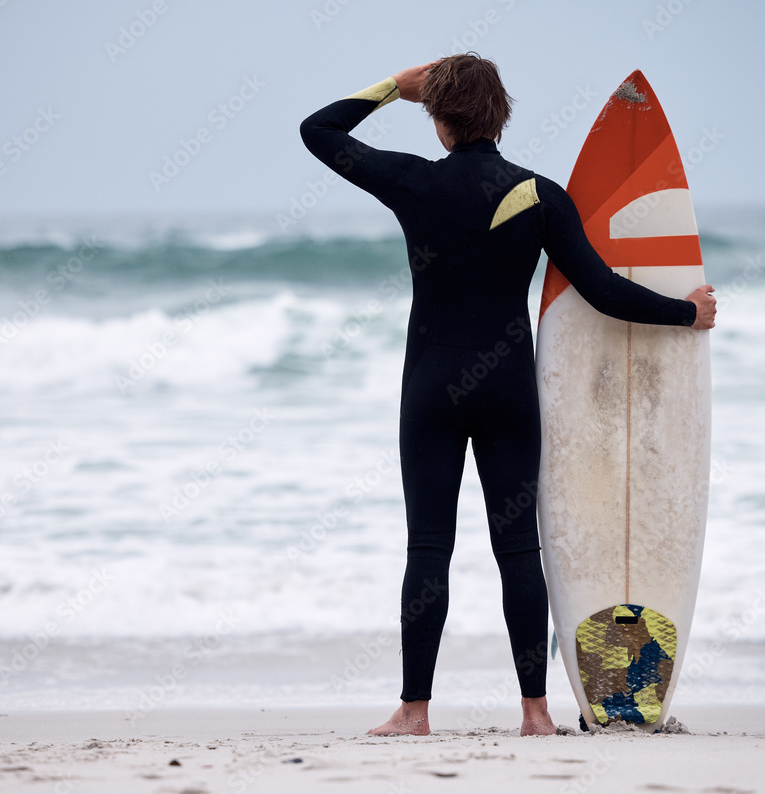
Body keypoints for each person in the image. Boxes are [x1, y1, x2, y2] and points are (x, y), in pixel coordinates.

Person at [299, 54, 717, 737]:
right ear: (501, 114)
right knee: (517, 549)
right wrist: (685, 314)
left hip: (431, 388)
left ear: (437, 118)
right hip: (508, 391)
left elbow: (318, 131)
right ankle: (535, 714)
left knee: (428, 548)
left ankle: (414, 711)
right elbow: (603, 290)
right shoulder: (538, 194)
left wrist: (389, 90)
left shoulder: (412, 180)